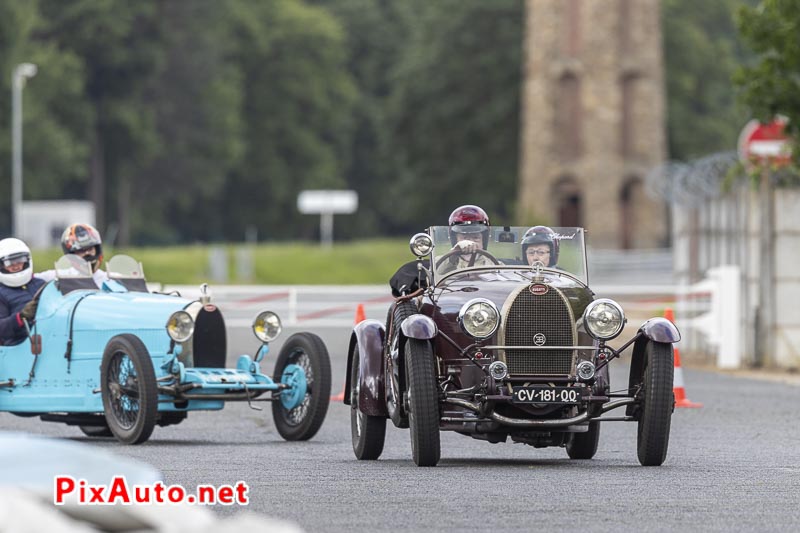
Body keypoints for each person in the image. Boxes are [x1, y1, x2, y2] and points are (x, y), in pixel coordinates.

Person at [0, 238, 46, 346]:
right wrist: (21, 317)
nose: (15, 265)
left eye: (19, 260)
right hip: (19, 346)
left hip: (47, 338)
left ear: (27, 260)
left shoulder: (41, 284)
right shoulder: (1, 293)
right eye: (9, 263)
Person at [37, 223, 109, 288]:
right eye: (81, 250)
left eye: (90, 249)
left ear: (97, 249)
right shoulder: (60, 277)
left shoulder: (111, 279)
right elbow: (29, 278)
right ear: (71, 254)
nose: (87, 253)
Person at [437, 205, 495, 274]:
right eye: (464, 237)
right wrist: (452, 257)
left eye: (475, 237)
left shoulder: (494, 265)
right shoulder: (440, 261)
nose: (470, 243)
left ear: (484, 240)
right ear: (455, 240)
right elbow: (435, 277)